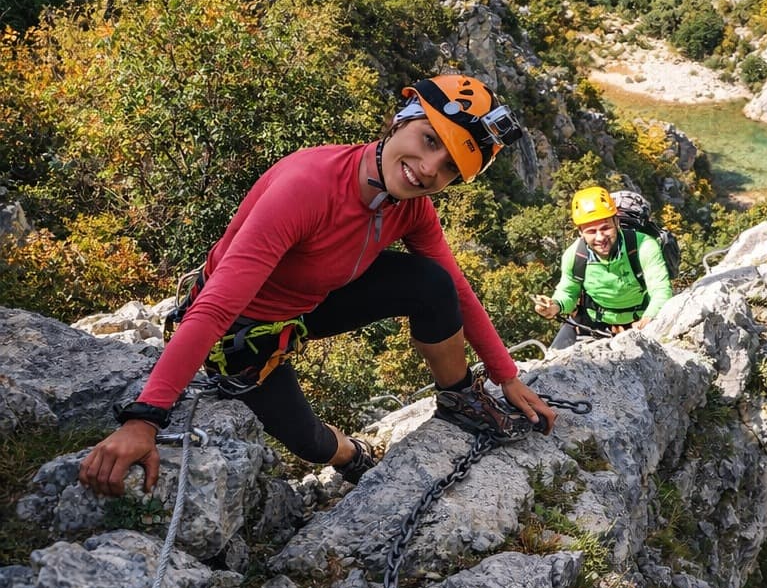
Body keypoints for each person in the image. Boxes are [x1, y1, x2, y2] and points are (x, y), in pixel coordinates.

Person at [80, 73, 556, 498]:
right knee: (308, 441)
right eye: (429, 139)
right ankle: (352, 454)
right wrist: (144, 418)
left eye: (449, 167)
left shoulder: (411, 208)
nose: (430, 169)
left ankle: (460, 398)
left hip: (312, 302)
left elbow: (457, 290)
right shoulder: (308, 186)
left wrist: (506, 375)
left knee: (432, 283)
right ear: (399, 120)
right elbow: (216, 306)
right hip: (244, 330)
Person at [533, 185, 672, 349]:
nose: (600, 238)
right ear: (580, 232)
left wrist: (650, 318)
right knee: (554, 357)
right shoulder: (576, 256)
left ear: (617, 222)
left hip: (640, 321)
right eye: (591, 231)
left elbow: (660, 289)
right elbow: (568, 291)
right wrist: (554, 305)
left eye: (606, 228)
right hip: (594, 323)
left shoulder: (643, 246)